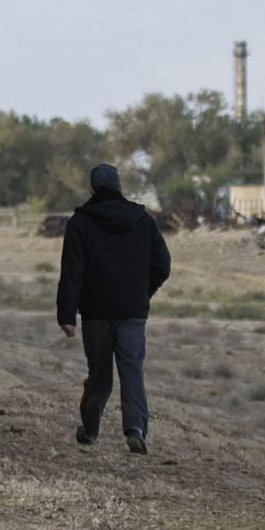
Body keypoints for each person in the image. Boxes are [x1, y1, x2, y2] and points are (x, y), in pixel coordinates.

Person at [55, 163, 171, 454]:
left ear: (92, 190)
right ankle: (135, 428)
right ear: (120, 188)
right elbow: (162, 266)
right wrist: (142, 293)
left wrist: (67, 315)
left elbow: (72, 271)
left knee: (100, 375)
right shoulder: (142, 220)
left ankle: (91, 429)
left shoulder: (80, 223)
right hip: (133, 311)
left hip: (95, 313)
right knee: (132, 370)